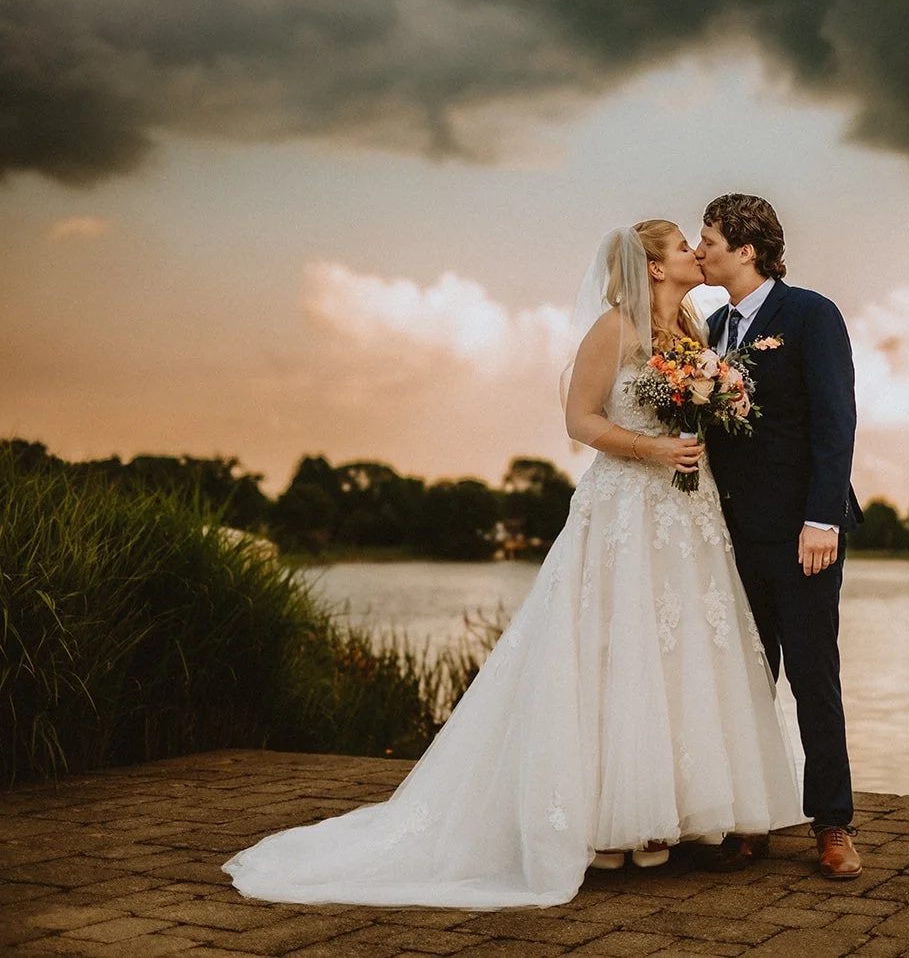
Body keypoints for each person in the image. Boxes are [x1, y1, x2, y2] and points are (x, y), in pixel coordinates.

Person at [223, 220, 803, 909]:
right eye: (681, 246)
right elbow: (580, 421)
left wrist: (717, 402)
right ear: (651, 267)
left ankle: (669, 816)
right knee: (612, 650)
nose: (691, 253)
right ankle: (610, 821)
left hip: (686, 514)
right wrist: (653, 452)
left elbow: (701, 417)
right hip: (623, 508)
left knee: (677, 654)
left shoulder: (695, 332)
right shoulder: (611, 331)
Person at [695, 194, 866, 880]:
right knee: (743, 680)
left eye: (708, 240)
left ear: (745, 248)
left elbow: (835, 421)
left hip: (802, 534)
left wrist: (822, 518)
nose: (699, 251)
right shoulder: (709, 329)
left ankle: (832, 825)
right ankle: (750, 820)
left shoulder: (811, 315)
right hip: (730, 535)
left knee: (813, 676)